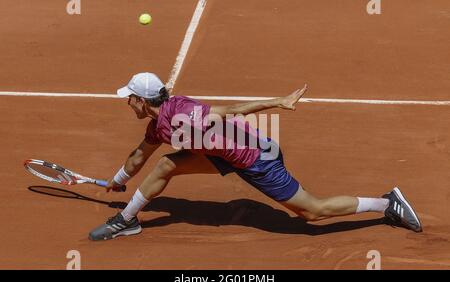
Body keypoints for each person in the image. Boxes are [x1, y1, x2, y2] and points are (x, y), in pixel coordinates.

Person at [89, 72, 422, 241]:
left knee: (312, 213)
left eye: (128, 98)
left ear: (142, 102)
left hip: (256, 159)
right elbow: (139, 157)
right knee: (167, 164)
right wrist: (118, 182)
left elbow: (232, 110)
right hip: (225, 153)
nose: (126, 102)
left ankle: (386, 203)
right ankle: (127, 220)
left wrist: (277, 102)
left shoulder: (185, 116)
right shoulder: (160, 123)